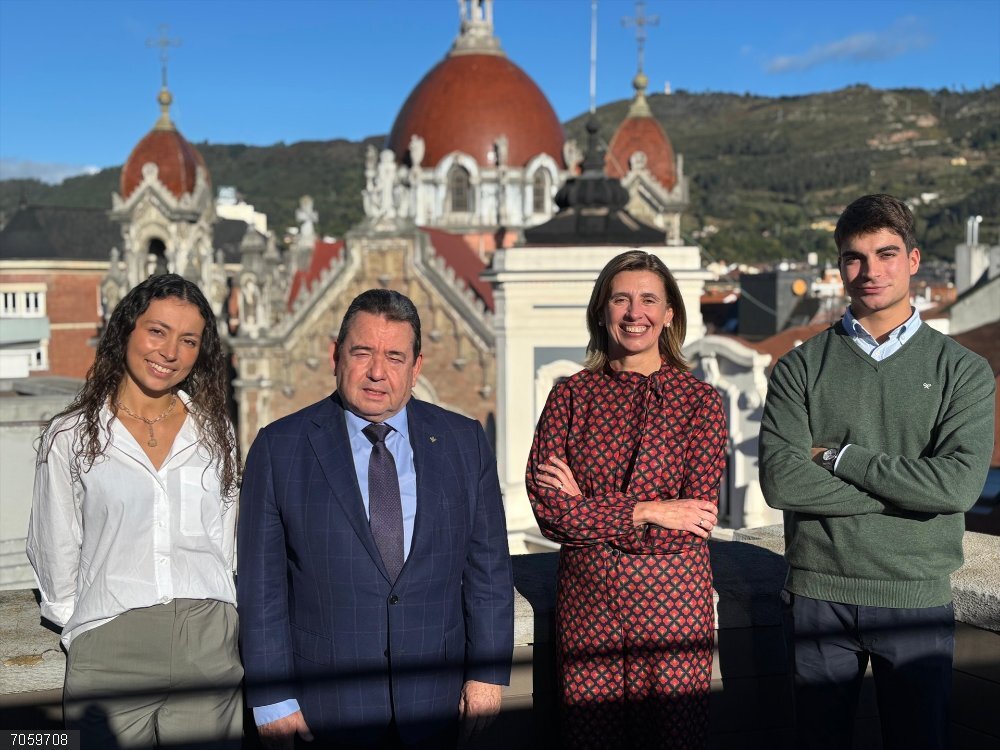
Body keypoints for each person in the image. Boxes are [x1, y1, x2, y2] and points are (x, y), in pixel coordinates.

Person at [759, 194, 995, 750]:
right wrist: (912, 492)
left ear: (913, 260)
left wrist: (843, 458)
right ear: (839, 266)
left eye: (886, 254)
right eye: (854, 258)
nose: (870, 272)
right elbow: (781, 482)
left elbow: (959, 486)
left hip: (915, 596)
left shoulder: (962, 370)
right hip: (819, 593)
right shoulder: (800, 366)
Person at [238, 288, 514, 749]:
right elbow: (261, 587)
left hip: (439, 703)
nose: (377, 373)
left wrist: (486, 675)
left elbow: (489, 571)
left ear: (416, 367)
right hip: (324, 707)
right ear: (336, 355)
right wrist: (272, 701)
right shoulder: (279, 447)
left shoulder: (464, 442)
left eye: (394, 357)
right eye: (362, 352)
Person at [27, 273, 242, 749]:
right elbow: (54, 548)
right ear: (127, 329)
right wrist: (86, 633)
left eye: (188, 340)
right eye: (157, 331)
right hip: (109, 646)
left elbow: (222, 543)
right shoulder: (71, 437)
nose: (169, 352)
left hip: (208, 640)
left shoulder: (216, 435)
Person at [526, 250, 728, 749]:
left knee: (675, 741)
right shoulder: (569, 396)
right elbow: (550, 512)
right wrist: (649, 509)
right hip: (588, 615)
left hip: (674, 618)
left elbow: (687, 528)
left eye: (648, 300)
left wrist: (589, 511)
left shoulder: (700, 402)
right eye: (621, 299)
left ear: (668, 315)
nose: (634, 313)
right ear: (602, 311)